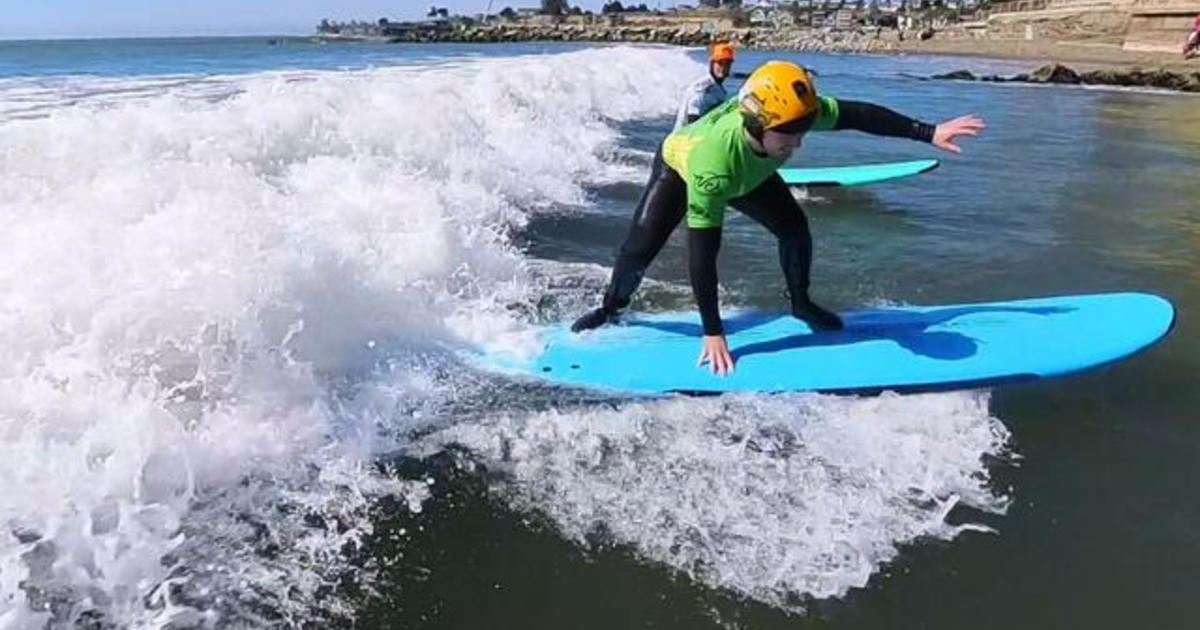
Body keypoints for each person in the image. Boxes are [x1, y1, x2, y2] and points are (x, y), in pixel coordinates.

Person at [571, 61, 985, 375]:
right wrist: (713, 331)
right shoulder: (713, 165)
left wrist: (928, 131)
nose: (799, 143)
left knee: (795, 230)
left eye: (802, 131)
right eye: (790, 136)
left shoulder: (789, 112)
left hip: (752, 171)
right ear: (758, 124)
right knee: (639, 249)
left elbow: (860, 115)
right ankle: (611, 307)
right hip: (680, 168)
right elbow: (703, 255)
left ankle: (801, 304)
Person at [674, 43, 736, 130]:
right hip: (685, 137)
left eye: (727, 64)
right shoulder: (702, 88)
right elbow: (692, 118)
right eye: (720, 63)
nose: (723, 67)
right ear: (712, 64)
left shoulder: (719, 89)